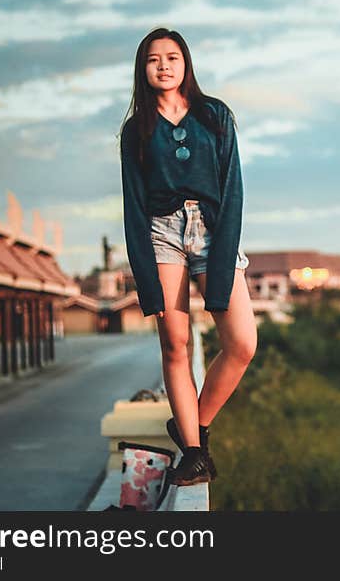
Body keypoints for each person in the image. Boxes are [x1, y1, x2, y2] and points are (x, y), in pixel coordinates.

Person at [119, 27, 258, 486]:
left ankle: (192, 426)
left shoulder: (214, 115)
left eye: (172, 56)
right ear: (143, 68)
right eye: (153, 58)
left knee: (241, 344)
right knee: (175, 344)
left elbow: (232, 190)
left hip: (213, 229)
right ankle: (196, 455)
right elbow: (134, 206)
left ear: (186, 63)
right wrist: (143, 277)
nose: (163, 65)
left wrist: (220, 258)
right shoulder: (136, 130)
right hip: (162, 233)